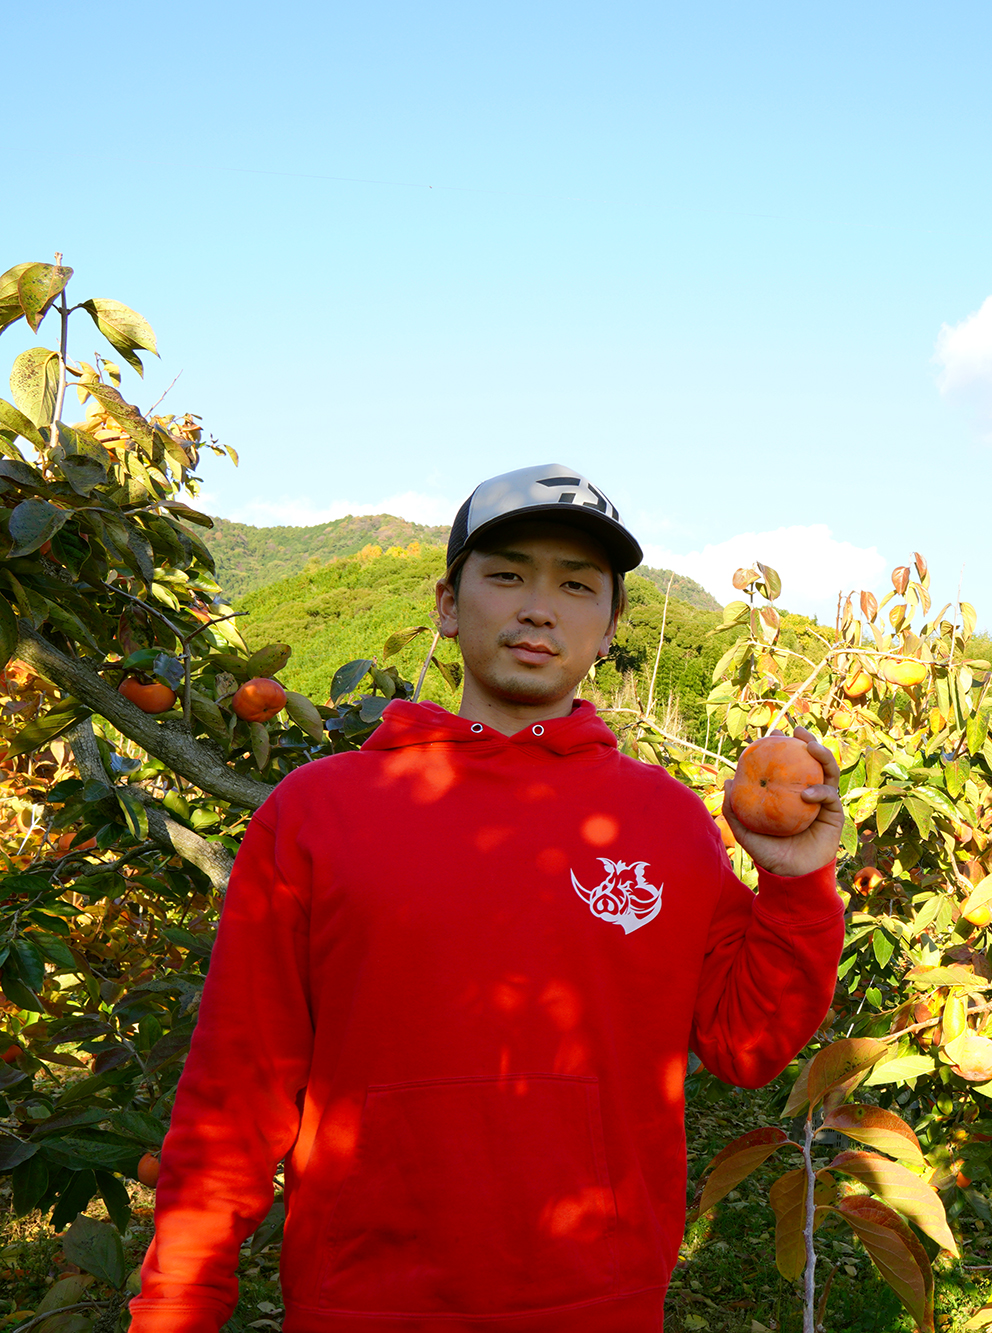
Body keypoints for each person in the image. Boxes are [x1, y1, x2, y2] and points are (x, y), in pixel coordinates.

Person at [129, 463, 847, 1332]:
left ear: (612, 626)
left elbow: (747, 1042)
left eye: (577, 585)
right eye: (507, 574)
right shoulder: (318, 812)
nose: (539, 606)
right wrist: (178, 1304)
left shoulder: (663, 821)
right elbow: (237, 1086)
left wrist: (797, 881)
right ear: (446, 602)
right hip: (361, 1303)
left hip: (601, 1306)